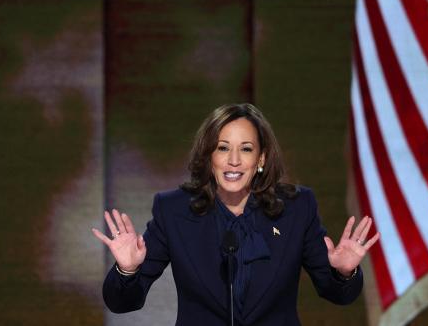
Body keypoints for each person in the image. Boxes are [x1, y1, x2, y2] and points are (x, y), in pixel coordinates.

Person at [92, 103, 380, 325]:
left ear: (261, 159)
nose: (233, 160)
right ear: (209, 156)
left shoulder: (296, 208)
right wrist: (127, 270)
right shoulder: (175, 210)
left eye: (246, 149)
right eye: (222, 148)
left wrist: (344, 273)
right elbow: (122, 302)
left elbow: (337, 294)